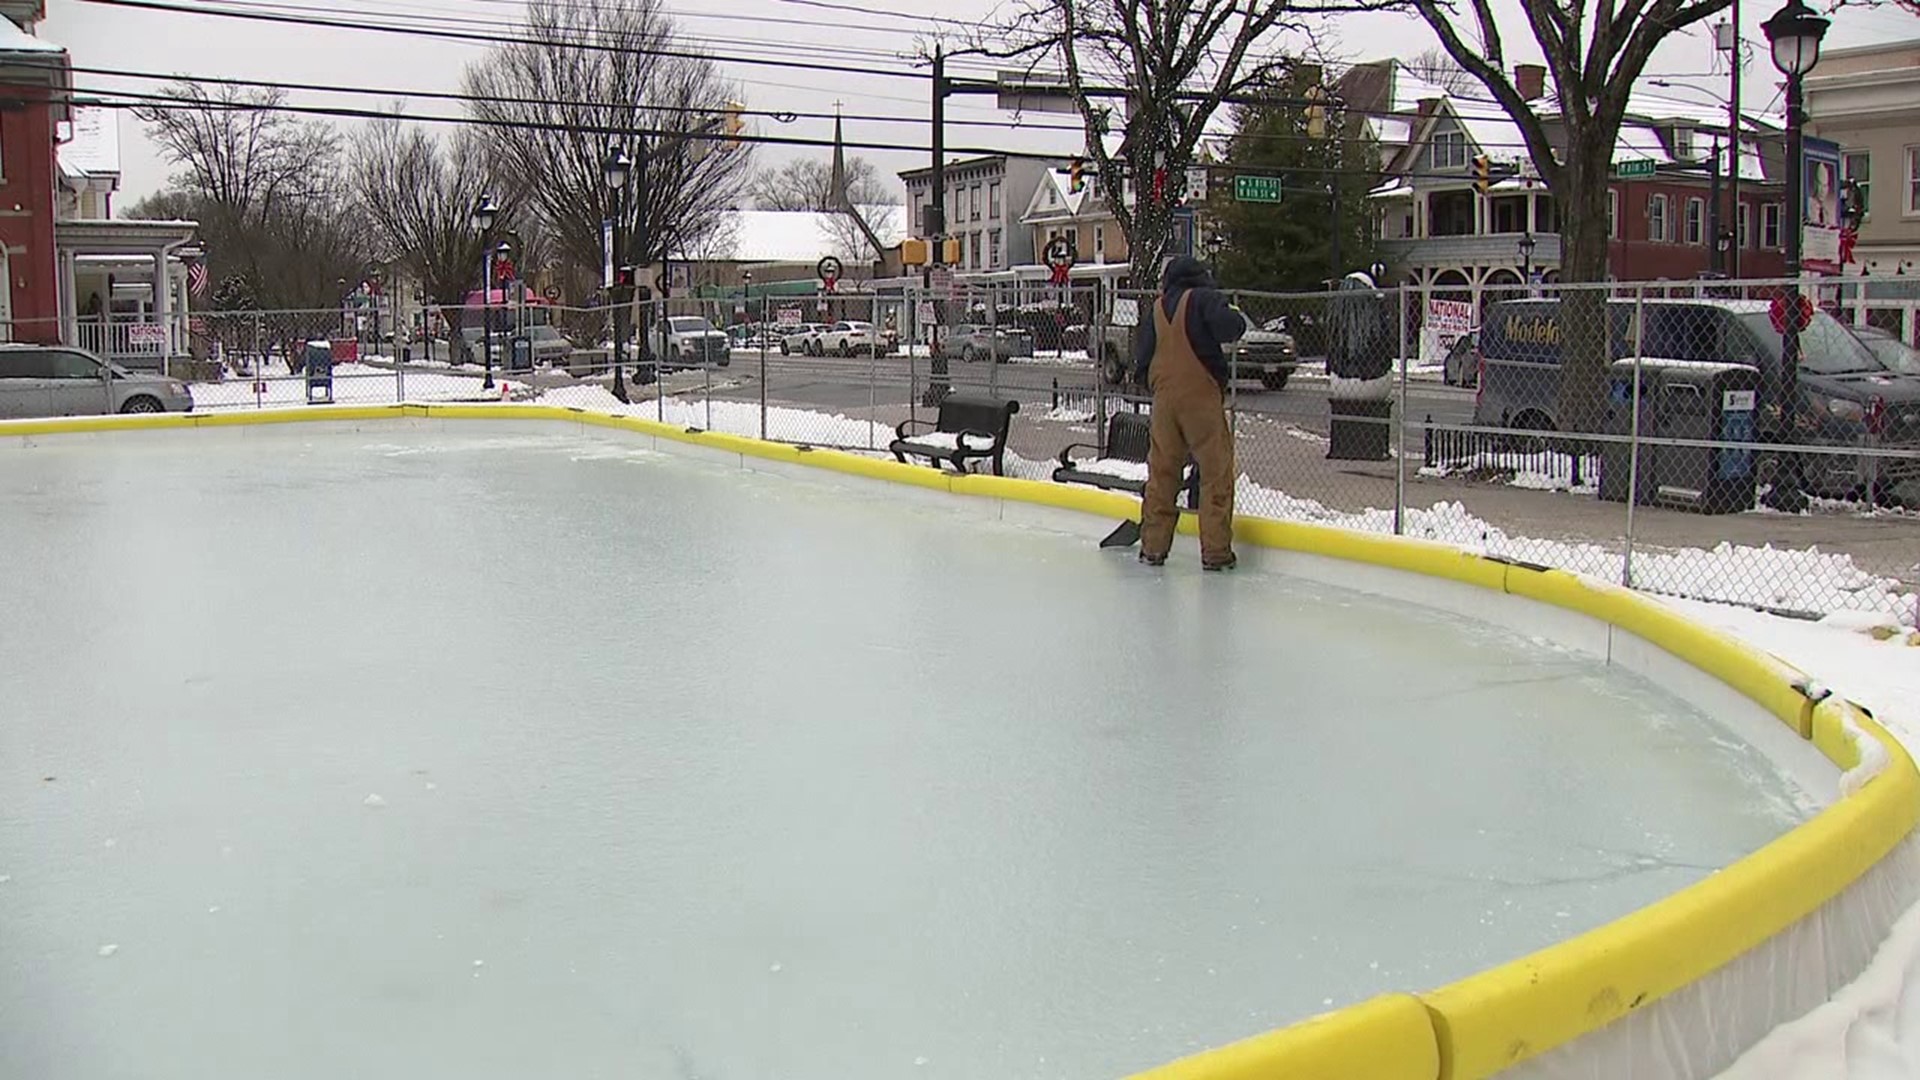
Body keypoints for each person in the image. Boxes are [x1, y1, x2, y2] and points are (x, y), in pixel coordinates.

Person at [1130, 256, 1249, 570]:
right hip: (1200, 398)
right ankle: (1216, 552)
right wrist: (1232, 310)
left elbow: (1140, 360)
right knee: (1215, 474)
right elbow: (1231, 328)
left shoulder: (1156, 309)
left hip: (1164, 401)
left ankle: (1153, 548)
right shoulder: (1203, 298)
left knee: (1162, 474)